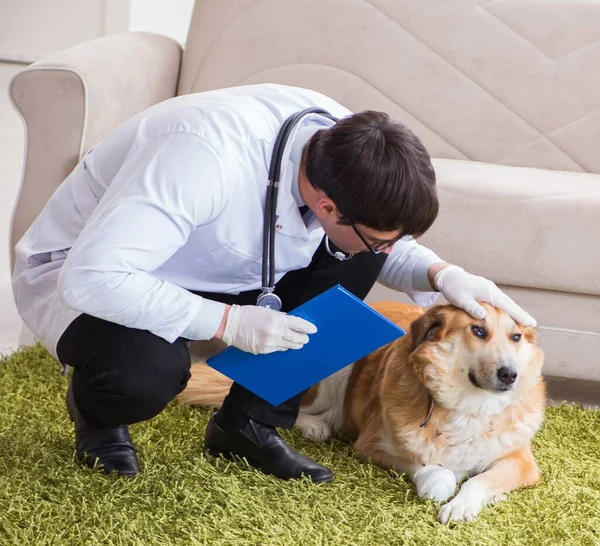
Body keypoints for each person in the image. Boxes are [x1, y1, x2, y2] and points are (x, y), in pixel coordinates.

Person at [12, 83, 536, 482]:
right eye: (382, 238)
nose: (387, 250)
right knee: (145, 376)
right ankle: (98, 414)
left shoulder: (341, 142)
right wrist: (228, 322)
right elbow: (92, 277)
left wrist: (442, 274)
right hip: (96, 274)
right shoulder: (200, 159)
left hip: (223, 267)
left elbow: (376, 241)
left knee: (357, 259)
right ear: (327, 205)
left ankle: (246, 424)